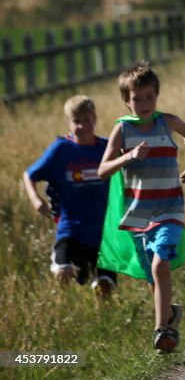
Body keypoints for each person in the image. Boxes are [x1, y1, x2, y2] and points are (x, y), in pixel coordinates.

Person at [97, 63, 185, 353]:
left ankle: (162, 330)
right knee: (152, 275)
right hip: (139, 214)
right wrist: (127, 156)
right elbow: (103, 170)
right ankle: (169, 314)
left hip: (170, 208)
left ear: (157, 95)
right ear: (126, 101)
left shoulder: (167, 122)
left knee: (160, 264)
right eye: (137, 98)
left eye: (149, 96)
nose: (144, 103)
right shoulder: (122, 130)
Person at [22, 95, 117, 300]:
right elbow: (29, 175)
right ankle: (62, 306)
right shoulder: (61, 150)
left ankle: (101, 323)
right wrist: (35, 199)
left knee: (104, 287)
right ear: (68, 122)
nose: (82, 126)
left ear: (95, 118)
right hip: (71, 228)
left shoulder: (106, 149)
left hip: (103, 230)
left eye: (87, 120)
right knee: (63, 272)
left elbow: (127, 175)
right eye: (76, 121)